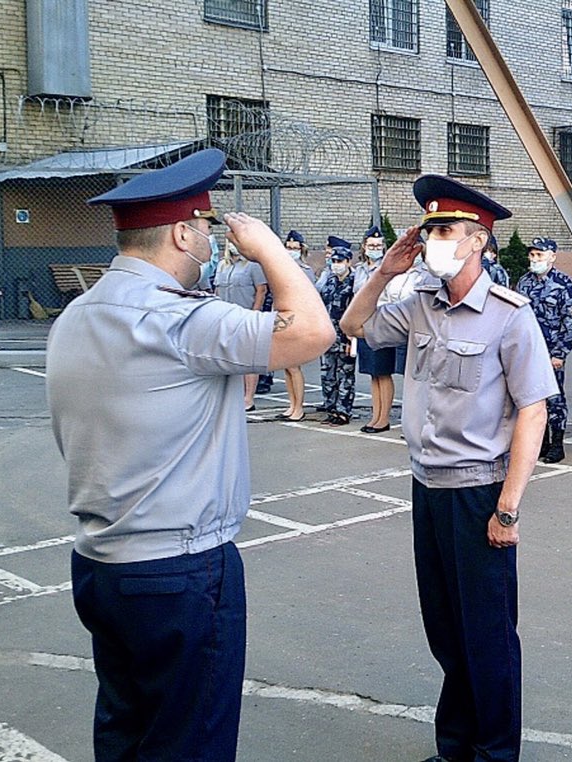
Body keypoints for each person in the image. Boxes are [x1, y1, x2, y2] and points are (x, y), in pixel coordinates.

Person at [45, 148, 334, 761]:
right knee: (189, 742)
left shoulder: (74, 316)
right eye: (203, 227)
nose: (209, 240)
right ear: (181, 232)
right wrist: (270, 250)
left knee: (127, 734)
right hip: (180, 570)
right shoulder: (183, 321)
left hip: (102, 564)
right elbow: (313, 330)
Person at [340, 175, 557, 762]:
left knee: (486, 634)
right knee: (445, 630)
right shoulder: (417, 306)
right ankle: (455, 746)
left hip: (479, 491)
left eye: (444, 230)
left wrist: (508, 507)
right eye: (429, 228)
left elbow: (532, 411)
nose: (432, 238)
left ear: (477, 242)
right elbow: (353, 327)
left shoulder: (510, 316)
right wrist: (385, 271)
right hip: (427, 486)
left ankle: (493, 753)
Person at [516, 237, 572, 463]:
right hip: (527, 351)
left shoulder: (564, 284)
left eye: (539, 255)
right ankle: (540, 442)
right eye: (532, 255)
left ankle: (557, 444)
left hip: (551, 352)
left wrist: (560, 353)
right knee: (531, 397)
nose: (534, 259)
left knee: (554, 398)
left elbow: (570, 323)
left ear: (552, 256)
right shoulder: (524, 282)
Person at [353, 224, 398, 433]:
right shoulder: (360, 269)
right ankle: (375, 415)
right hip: (363, 323)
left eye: (379, 245)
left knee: (383, 371)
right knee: (372, 372)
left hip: (381, 322)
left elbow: (389, 298)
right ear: (364, 246)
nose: (375, 248)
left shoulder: (386, 269)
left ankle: (384, 418)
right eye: (371, 245)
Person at [215, 239, 269, 411]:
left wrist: (255, 313)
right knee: (228, 358)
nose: (232, 245)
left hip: (246, 316)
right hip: (225, 318)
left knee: (248, 359)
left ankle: (248, 398)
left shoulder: (252, 265)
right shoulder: (223, 265)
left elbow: (261, 290)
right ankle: (232, 395)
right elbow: (217, 290)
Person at [273, 229, 316, 422]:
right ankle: (291, 404)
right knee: (286, 366)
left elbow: (309, 298)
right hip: (280, 319)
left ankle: (299, 407)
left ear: (301, 250)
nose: (291, 251)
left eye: (294, 248)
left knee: (294, 366)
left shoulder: (304, 271)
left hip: (296, 319)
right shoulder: (279, 267)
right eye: (288, 247)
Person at [316, 236, 357, 425]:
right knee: (327, 375)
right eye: (333, 261)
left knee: (345, 376)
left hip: (345, 337)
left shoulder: (354, 282)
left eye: (339, 261)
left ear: (348, 261)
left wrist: (352, 340)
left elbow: (355, 312)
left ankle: (343, 411)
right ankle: (330, 407)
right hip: (328, 336)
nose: (336, 264)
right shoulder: (329, 281)